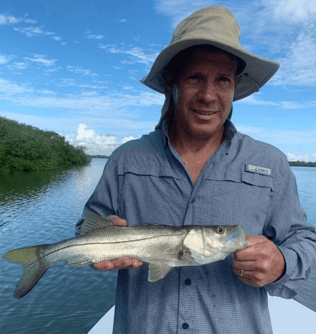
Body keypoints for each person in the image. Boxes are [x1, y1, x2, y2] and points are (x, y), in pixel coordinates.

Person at [76, 6, 316, 333]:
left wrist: (281, 262)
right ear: (172, 82)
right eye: (194, 78)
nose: (207, 95)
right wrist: (96, 244)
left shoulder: (271, 163)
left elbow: (302, 239)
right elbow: (88, 228)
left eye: (222, 80)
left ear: (234, 87)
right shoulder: (125, 160)